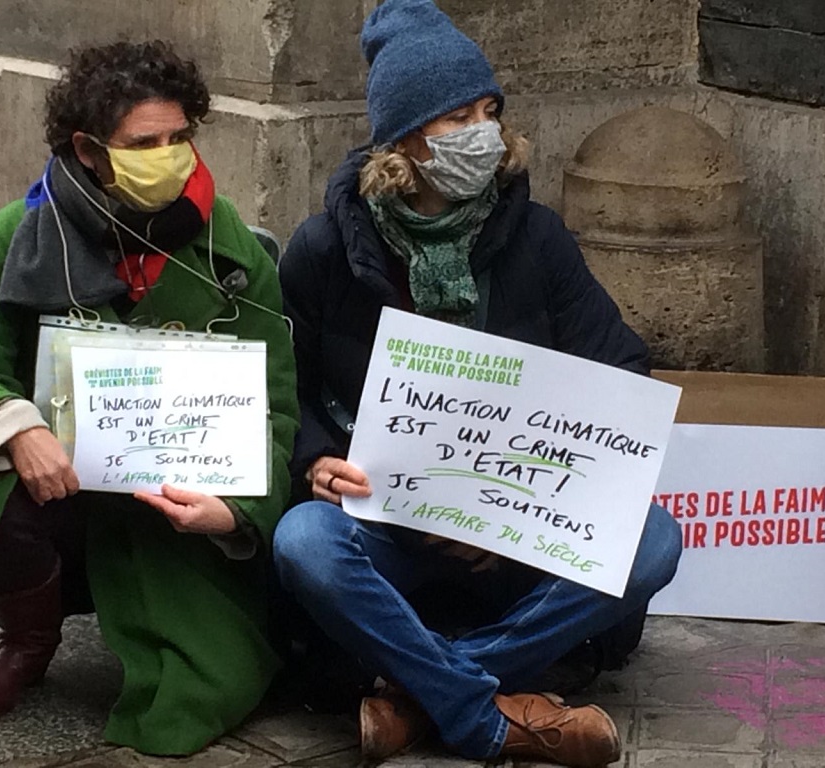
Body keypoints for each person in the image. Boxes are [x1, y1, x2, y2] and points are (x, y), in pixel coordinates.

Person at [272, 1, 682, 766]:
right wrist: (314, 458)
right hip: (387, 525)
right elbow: (282, 386)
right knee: (304, 542)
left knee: (655, 539)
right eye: (458, 116)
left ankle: (422, 698)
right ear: (404, 140)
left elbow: (620, 368)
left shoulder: (538, 237)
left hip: (522, 534)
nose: (483, 130)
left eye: (488, 109)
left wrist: (522, 511)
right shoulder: (325, 248)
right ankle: (496, 709)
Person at [0, 41, 299, 756]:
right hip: (60, 482)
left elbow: (276, 401)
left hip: (177, 496)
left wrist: (234, 510)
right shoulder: (16, 236)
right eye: (143, 143)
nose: (169, 155)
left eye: (179, 137)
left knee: (208, 685)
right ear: (89, 149)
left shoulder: (233, 249)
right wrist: (19, 428)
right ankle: (28, 640)